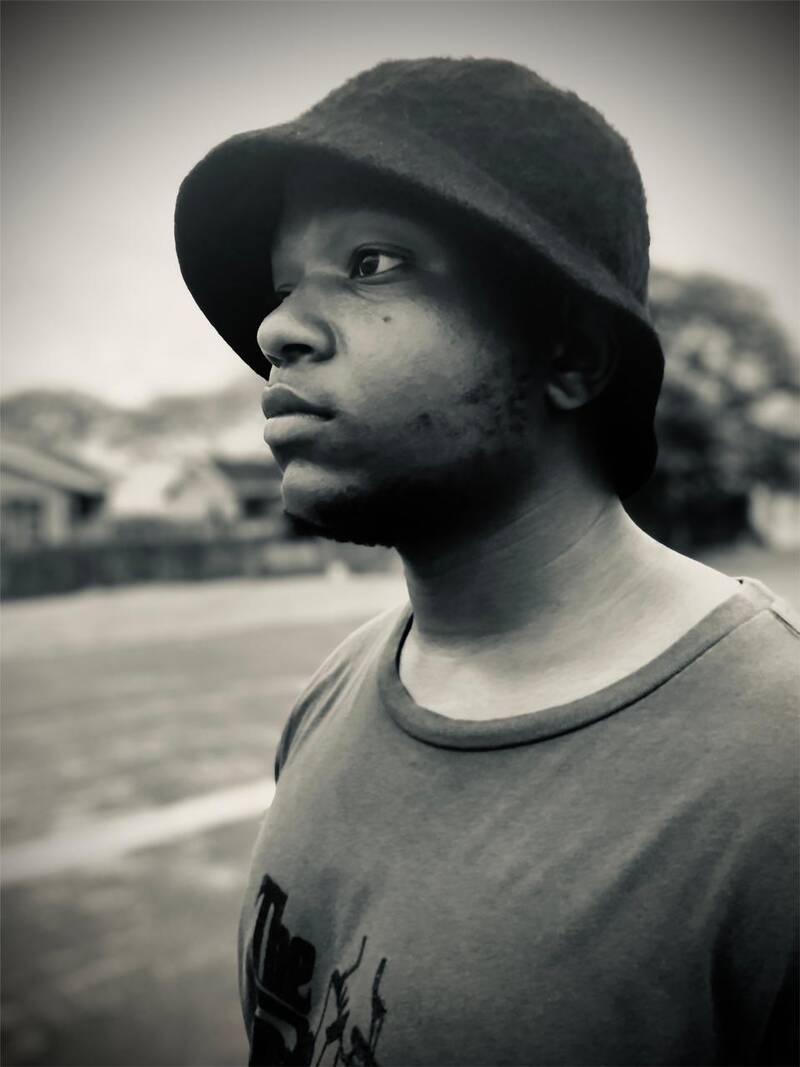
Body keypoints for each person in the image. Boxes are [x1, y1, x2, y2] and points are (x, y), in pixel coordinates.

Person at [175, 58, 798, 1067]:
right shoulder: (336, 690)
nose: (275, 328)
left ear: (571, 355)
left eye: (371, 263)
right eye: (285, 285)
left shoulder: (776, 768)